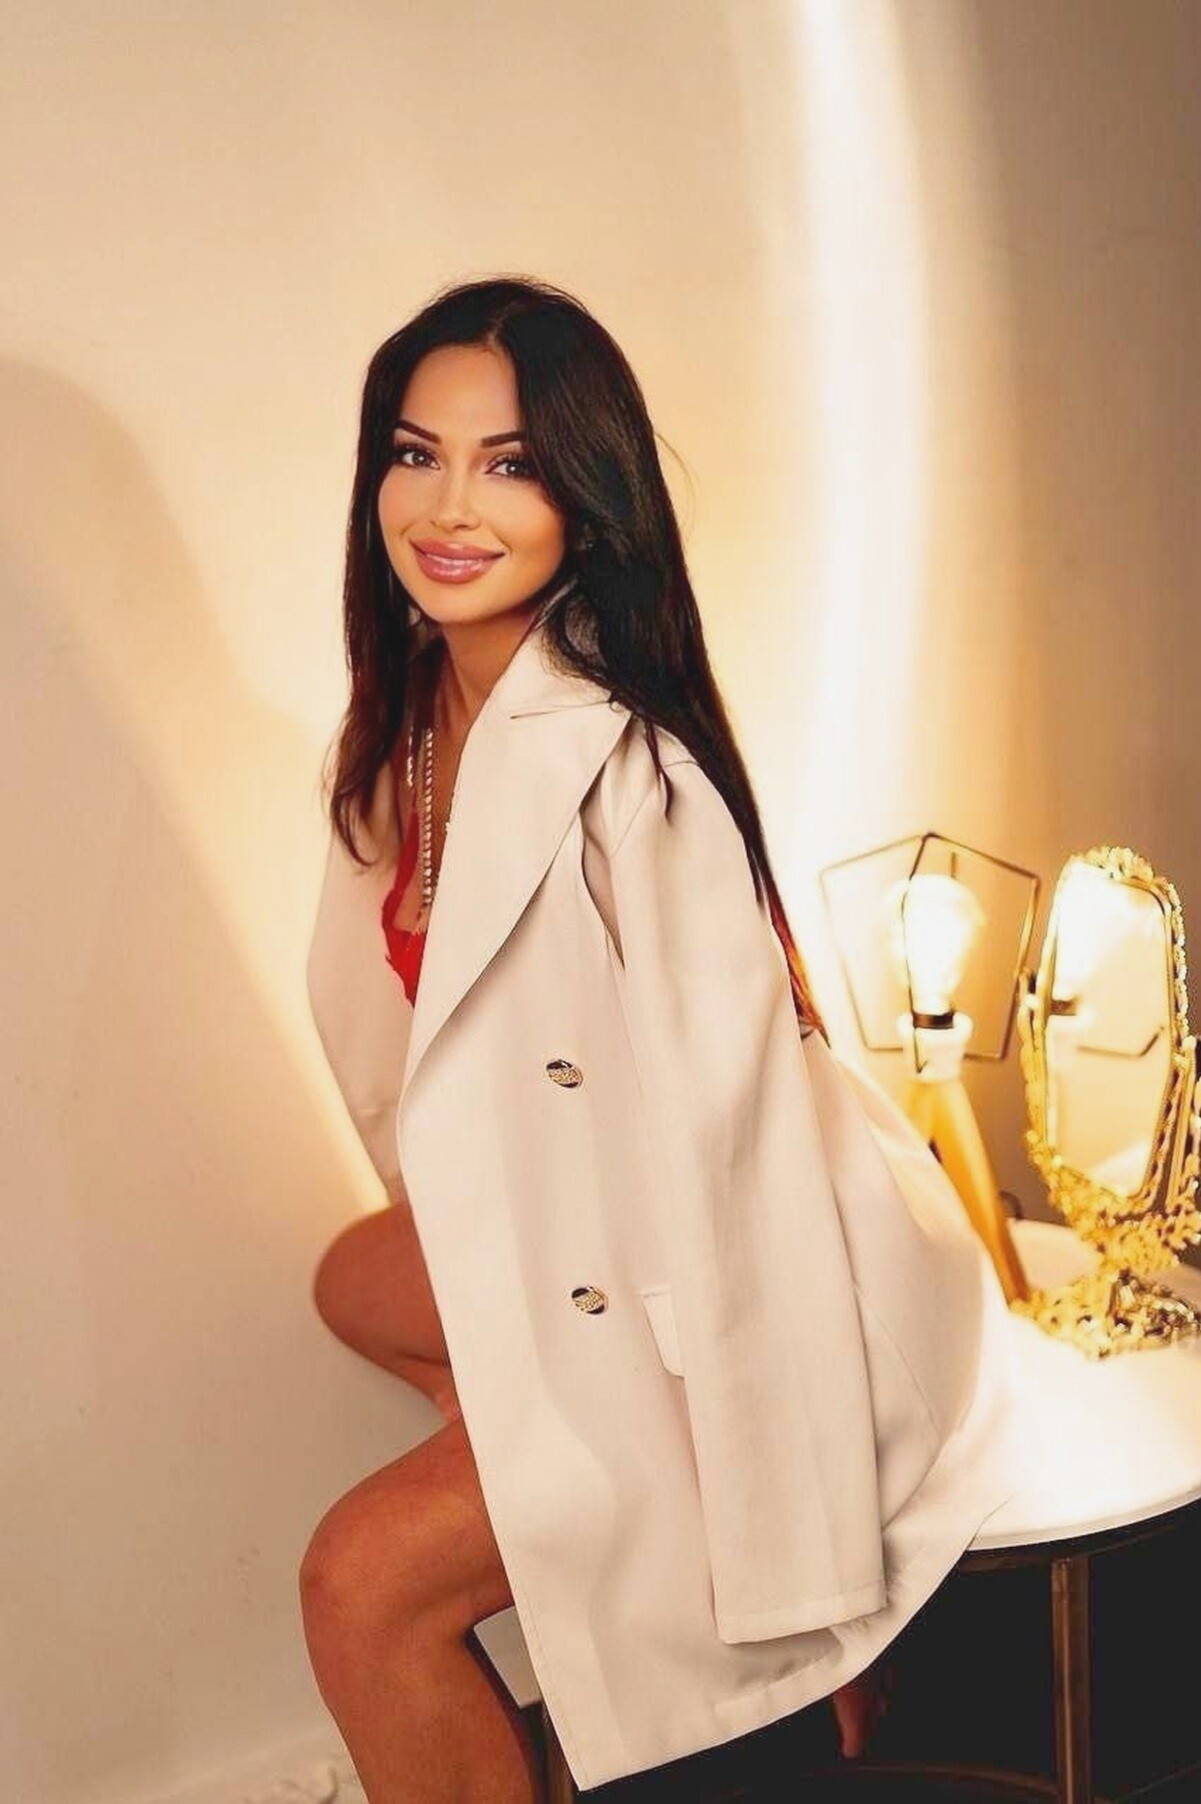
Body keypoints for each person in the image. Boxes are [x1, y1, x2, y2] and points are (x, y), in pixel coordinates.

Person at [301, 276, 1025, 1801]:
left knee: (359, 1584)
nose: (448, 506)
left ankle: (628, 1516)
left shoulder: (635, 774)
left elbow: (742, 1179)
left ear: (587, 499)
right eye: (416, 453)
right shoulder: (399, 731)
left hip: (704, 1282)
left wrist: (809, 1601)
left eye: (509, 465)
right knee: (355, 1275)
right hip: (583, 1242)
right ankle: (549, 1483)